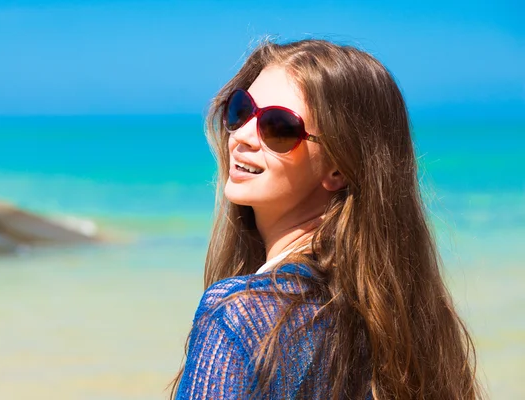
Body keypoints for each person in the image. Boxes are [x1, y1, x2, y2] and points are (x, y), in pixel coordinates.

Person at [170, 39, 483, 399]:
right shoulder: (403, 325)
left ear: (338, 168)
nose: (242, 136)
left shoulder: (236, 319)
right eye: (241, 111)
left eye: (279, 128)